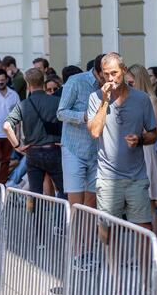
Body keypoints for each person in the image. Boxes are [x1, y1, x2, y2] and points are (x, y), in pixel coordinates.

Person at [87, 52, 157, 229]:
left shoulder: (142, 99)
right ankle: (113, 259)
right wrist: (105, 100)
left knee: (144, 229)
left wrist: (140, 139)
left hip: (136, 176)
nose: (110, 78)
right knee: (107, 229)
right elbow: (95, 132)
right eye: (105, 74)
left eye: (114, 73)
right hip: (108, 177)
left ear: (124, 71)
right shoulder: (95, 98)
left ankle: (144, 258)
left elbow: (154, 134)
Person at [3, 67, 65, 197]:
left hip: (33, 151)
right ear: (43, 82)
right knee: (63, 189)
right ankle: (63, 217)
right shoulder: (56, 101)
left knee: (35, 193)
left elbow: (7, 126)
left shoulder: (23, 104)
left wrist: (17, 146)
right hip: (54, 149)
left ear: (28, 84)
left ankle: (37, 217)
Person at [58, 54, 105, 210]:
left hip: (98, 149)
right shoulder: (76, 81)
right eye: (106, 76)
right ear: (98, 71)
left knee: (92, 201)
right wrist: (84, 116)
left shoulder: (114, 86)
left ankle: (87, 234)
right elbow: (61, 112)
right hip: (74, 148)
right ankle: (76, 235)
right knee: (76, 203)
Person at [126, 64, 157, 237]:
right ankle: (143, 248)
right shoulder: (135, 99)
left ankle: (151, 247)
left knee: (147, 202)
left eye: (131, 82)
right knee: (137, 204)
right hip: (136, 150)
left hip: (146, 149)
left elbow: (154, 129)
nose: (129, 86)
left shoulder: (150, 99)